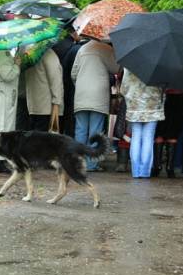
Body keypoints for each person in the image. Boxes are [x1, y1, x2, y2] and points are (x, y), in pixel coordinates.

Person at [71, 40, 120, 171]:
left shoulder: (82, 48)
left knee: (80, 130)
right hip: (98, 94)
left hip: (81, 93)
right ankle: (91, 164)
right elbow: (116, 68)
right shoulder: (106, 49)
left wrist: (81, 84)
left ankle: (77, 162)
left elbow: (73, 73)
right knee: (96, 131)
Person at [120, 69, 164, 178]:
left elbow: (123, 89)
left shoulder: (129, 65)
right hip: (153, 105)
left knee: (136, 137)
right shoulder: (159, 65)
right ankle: (144, 172)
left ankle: (135, 171)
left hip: (134, 105)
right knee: (148, 138)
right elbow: (163, 86)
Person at [25, 49, 64, 131]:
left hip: (33, 106)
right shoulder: (49, 54)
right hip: (47, 107)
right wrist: (57, 101)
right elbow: (55, 79)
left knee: (34, 138)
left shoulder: (30, 54)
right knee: (45, 140)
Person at [153, 90, 183, 178]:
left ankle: (157, 166)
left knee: (159, 134)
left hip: (162, 100)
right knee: (173, 135)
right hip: (178, 101)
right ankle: (170, 168)